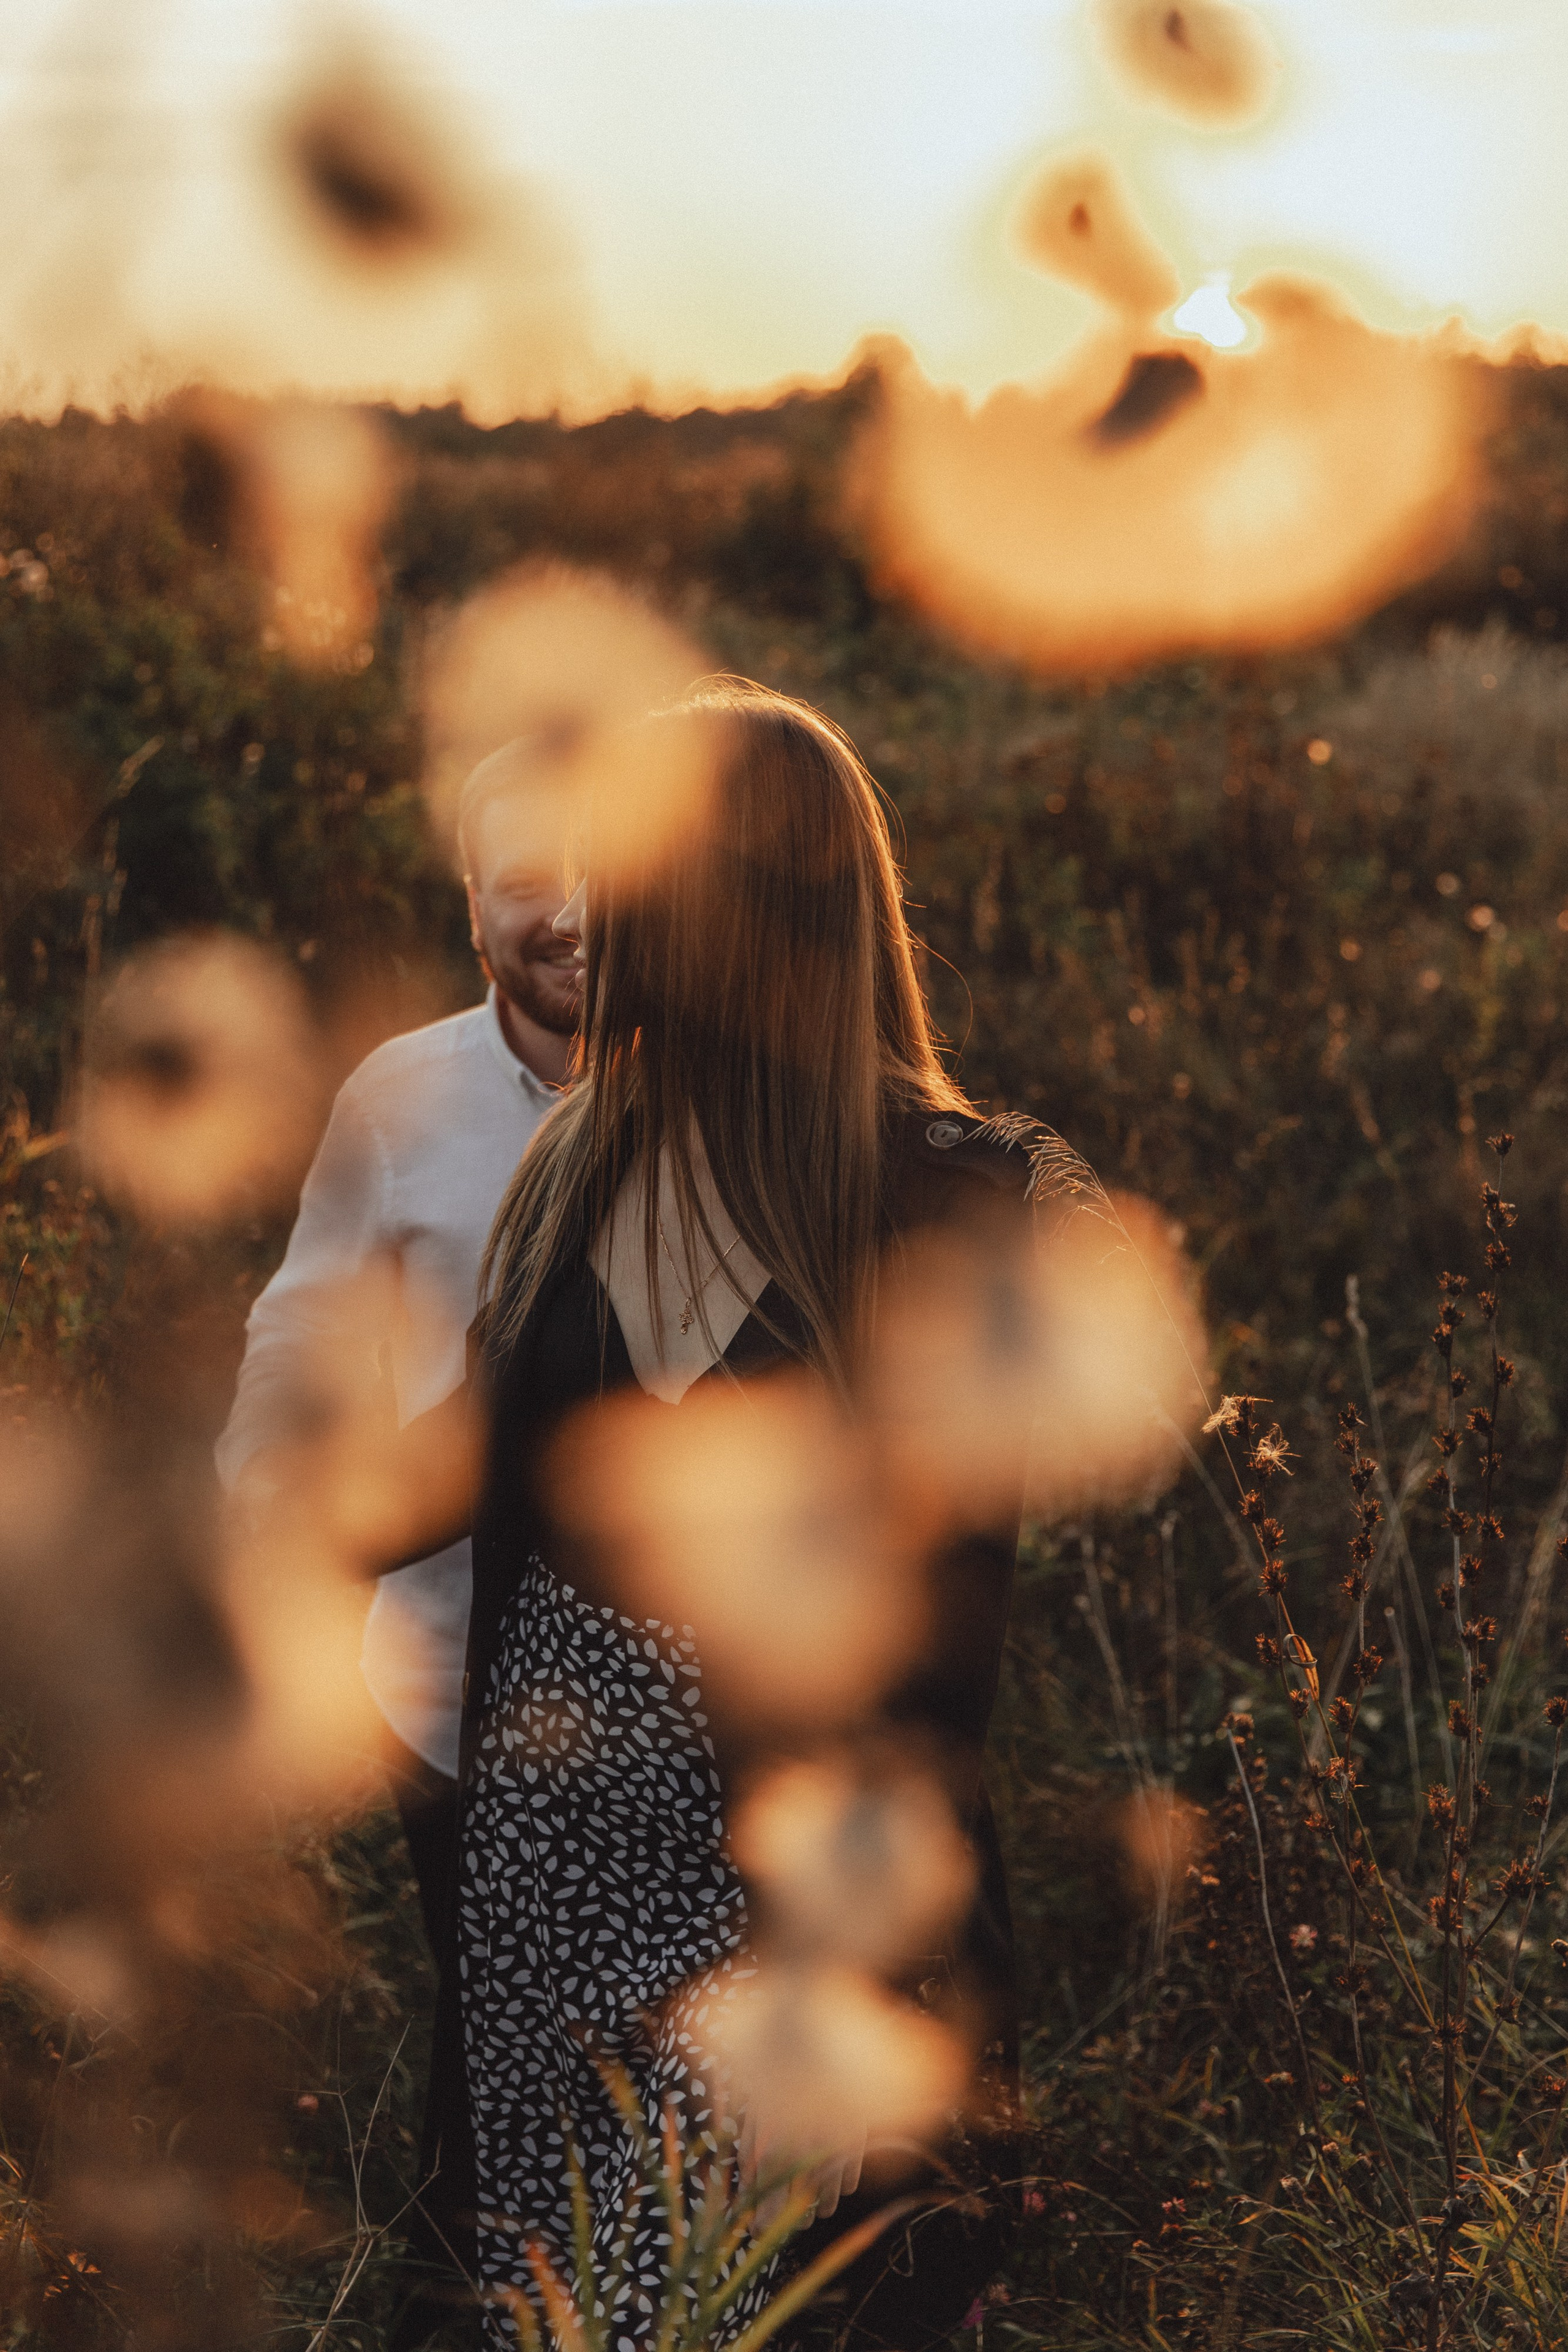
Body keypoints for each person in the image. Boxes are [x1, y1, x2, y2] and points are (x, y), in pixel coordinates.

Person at [405, 679, 1039, 2350]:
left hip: (790, 1905)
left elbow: (945, 1651)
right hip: (549, 1898)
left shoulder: (950, 1201)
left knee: (796, 2308)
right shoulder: (575, 1168)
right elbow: (467, 1475)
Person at [216, 737, 580, 1950]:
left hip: (693, 1711)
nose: (570, 910)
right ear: (473, 903)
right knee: (491, 2064)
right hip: (449, 1696)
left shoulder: (720, 1097)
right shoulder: (398, 1097)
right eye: (526, 879)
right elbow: (305, 1323)